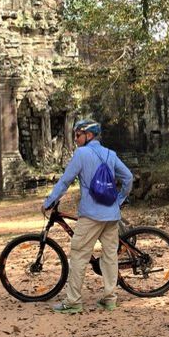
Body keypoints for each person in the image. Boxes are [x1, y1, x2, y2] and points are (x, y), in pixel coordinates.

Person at [42, 119, 133, 314]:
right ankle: (110, 299)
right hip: (111, 215)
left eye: (77, 135)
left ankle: (73, 301)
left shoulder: (81, 154)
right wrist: (119, 200)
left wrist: (49, 201)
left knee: (79, 255)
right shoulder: (110, 154)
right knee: (110, 257)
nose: (75, 139)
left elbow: (66, 181)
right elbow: (128, 178)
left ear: (88, 135)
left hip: (91, 215)